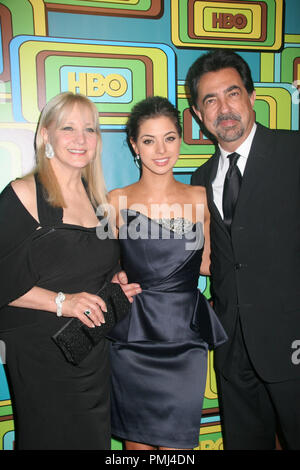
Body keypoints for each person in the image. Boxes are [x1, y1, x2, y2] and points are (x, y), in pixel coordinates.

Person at [0, 92, 139, 450]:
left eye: (90, 129)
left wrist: (115, 280)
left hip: (90, 350)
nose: (80, 138)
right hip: (42, 356)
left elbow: (98, 268)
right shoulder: (22, 193)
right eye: (68, 128)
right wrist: (62, 302)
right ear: (46, 135)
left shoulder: (100, 202)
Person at [186, 48, 300, 450]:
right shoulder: (198, 179)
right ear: (200, 115)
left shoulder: (293, 152)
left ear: (252, 98)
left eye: (232, 93)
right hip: (233, 348)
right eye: (210, 100)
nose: (224, 108)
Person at [107, 96, 227, 450]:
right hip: (133, 339)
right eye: (148, 140)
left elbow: (209, 264)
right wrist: (113, 279)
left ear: (180, 139)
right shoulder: (116, 201)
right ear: (134, 145)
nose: (161, 149)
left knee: (178, 448)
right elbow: (103, 267)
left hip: (184, 338)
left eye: (170, 137)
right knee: (135, 448)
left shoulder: (201, 198)